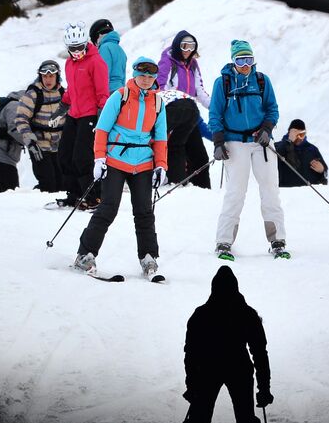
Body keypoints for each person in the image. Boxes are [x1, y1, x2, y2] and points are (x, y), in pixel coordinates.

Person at [168, 265, 272, 423]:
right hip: (239, 369)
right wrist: (264, 387)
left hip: (208, 370)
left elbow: (190, 353)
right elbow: (259, 353)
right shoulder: (247, 314)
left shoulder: (201, 315)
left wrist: (191, 383)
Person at [72, 56, 169, 278]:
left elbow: (161, 137)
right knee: (108, 208)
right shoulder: (120, 96)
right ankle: (84, 254)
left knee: (144, 211)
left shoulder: (158, 102)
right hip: (115, 159)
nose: (146, 79)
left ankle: (148, 257)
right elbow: (102, 128)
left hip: (143, 161)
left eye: (150, 76)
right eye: (142, 75)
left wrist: (161, 165)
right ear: (134, 74)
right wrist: (99, 158)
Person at [208, 40, 288, 261]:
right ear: (233, 61)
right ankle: (223, 241)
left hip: (260, 142)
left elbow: (272, 108)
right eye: (240, 60)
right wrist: (218, 141)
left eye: (249, 60)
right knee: (235, 192)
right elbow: (215, 114)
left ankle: (277, 240)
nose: (245, 65)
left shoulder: (262, 81)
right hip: (234, 142)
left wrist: (267, 128)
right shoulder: (222, 83)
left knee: (270, 189)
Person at [56, 22, 111, 208]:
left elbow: (103, 92)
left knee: (82, 157)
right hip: (74, 114)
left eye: (79, 47)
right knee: (64, 155)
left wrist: (103, 117)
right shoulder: (69, 64)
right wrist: (62, 106)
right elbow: (72, 90)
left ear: (85, 43)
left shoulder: (96, 62)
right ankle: (75, 194)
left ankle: (95, 196)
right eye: (72, 48)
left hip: (90, 115)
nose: (76, 51)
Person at [156, 29, 213, 188]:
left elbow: (200, 91)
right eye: (184, 46)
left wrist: (216, 108)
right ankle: (178, 186)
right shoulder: (168, 61)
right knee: (178, 152)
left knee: (199, 156)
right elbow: (160, 86)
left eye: (191, 47)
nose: (188, 50)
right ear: (177, 46)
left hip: (190, 113)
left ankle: (203, 190)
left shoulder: (193, 64)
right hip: (173, 112)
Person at [12, 59, 67, 193]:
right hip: (39, 145)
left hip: (59, 146)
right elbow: (20, 118)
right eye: (45, 76)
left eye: (51, 76)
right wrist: (30, 141)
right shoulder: (33, 94)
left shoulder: (63, 94)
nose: (48, 80)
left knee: (63, 183)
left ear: (57, 76)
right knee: (48, 182)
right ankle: (42, 209)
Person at [274, 119, 328, 187]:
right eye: (296, 134)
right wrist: (288, 142)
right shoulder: (278, 146)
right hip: (286, 192)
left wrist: (322, 170)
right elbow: (276, 157)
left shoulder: (312, 149)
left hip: (310, 192)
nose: (299, 138)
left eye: (302, 134)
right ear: (289, 133)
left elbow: (324, 171)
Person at [92, 18, 128, 91]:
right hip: (120, 89)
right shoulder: (120, 49)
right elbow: (123, 75)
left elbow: (103, 73)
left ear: (98, 35)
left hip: (109, 90)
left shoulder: (104, 48)